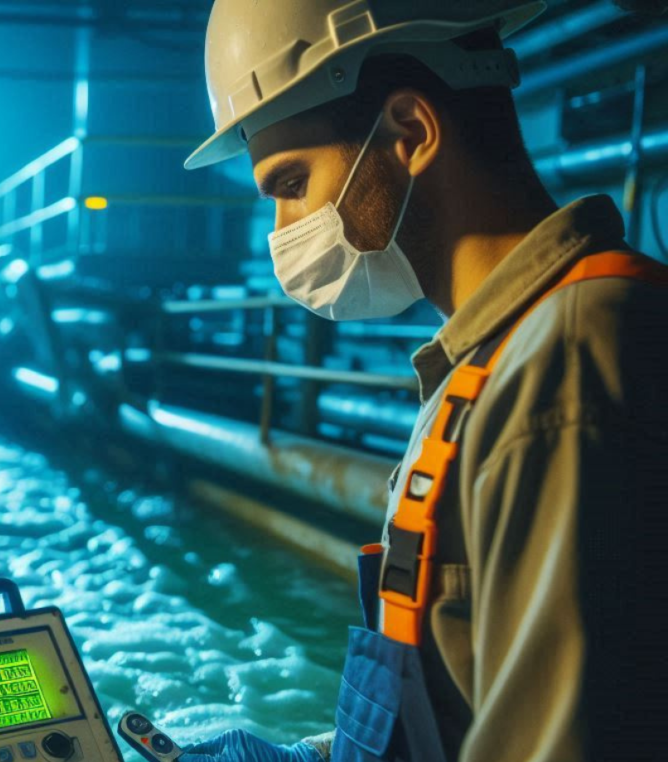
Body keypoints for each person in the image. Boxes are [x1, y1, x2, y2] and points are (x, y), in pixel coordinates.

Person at [179, 1, 668, 761]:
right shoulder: (502, 353)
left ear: (408, 134)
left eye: (291, 183)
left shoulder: (567, 363)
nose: (280, 234)